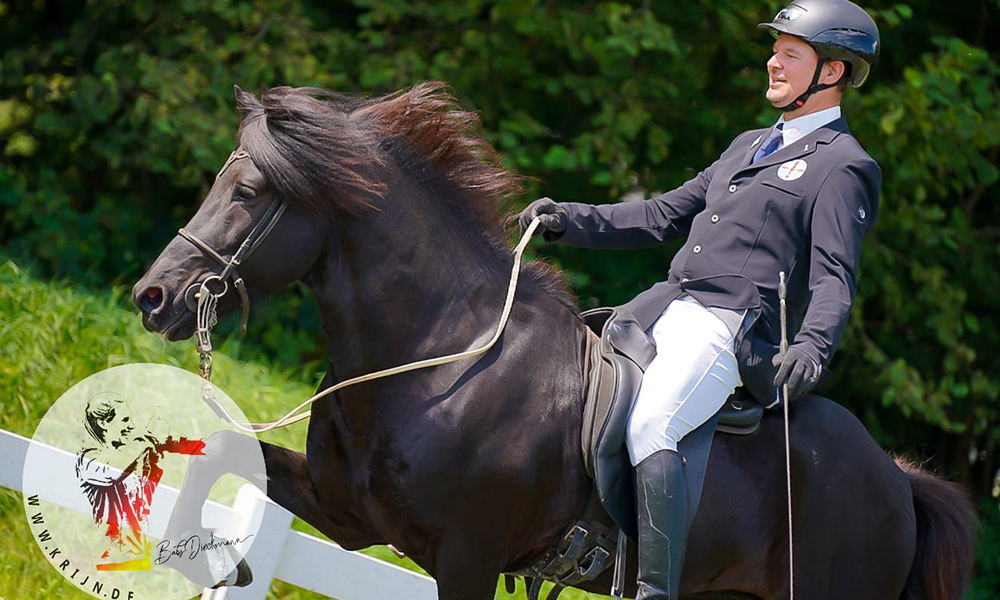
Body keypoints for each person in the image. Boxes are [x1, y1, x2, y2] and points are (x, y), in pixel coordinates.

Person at [518, 1, 881, 597]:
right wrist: (569, 220)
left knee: (653, 424)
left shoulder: (843, 166)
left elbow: (834, 274)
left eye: (790, 54)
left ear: (832, 72)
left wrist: (813, 346)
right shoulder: (746, 145)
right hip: (661, 308)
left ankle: (654, 591)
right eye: (775, 50)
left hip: (727, 327)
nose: (773, 62)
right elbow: (663, 214)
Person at [76, 392, 205, 571]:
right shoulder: (90, 456)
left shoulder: (125, 451)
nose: (131, 426)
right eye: (125, 420)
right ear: (103, 423)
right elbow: (111, 472)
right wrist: (145, 442)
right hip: (110, 556)